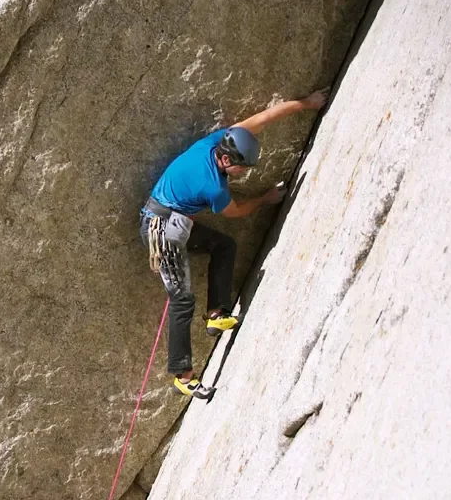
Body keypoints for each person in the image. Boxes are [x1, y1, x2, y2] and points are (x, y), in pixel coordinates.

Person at [140, 90, 327, 399]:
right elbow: (237, 212)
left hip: (174, 220)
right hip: (159, 228)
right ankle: (182, 376)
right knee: (181, 298)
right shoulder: (212, 186)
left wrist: (306, 104)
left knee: (223, 246)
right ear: (227, 160)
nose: (244, 173)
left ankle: (216, 315)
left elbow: (264, 119)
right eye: (243, 167)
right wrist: (265, 199)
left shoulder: (218, 141)